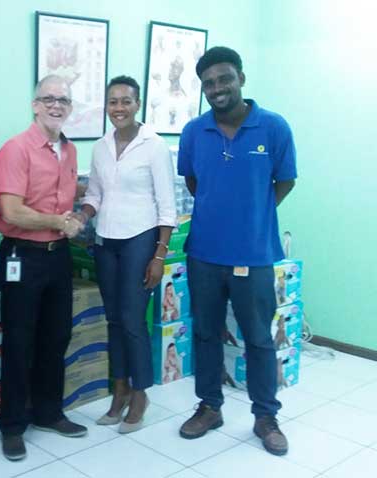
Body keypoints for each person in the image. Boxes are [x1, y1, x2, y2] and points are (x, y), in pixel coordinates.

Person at [177, 46, 297, 456]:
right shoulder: (195, 132)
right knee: (206, 333)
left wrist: (253, 214)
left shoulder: (274, 128)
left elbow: (285, 181)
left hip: (255, 254)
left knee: (259, 339)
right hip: (204, 254)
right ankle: (209, 407)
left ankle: (266, 416)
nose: (217, 88)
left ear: (241, 78)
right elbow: (194, 182)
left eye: (224, 79)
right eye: (208, 83)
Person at [0, 75, 87, 461]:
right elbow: (12, 211)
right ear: (34, 104)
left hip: (58, 255)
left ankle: (48, 412)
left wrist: (76, 218)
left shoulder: (69, 151)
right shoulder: (15, 149)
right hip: (22, 256)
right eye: (49, 98)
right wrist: (59, 223)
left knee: (56, 335)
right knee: (18, 341)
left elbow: (66, 204)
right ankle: (13, 425)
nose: (56, 105)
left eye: (63, 100)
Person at [77, 76, 176, 434]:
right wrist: (83, 215)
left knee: (133, 319)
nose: (118, 108)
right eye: (113, 102)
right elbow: (96, 194)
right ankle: (118, 391)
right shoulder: (101, 146)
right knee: (115, 319)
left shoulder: (154, 146)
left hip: (141, 239)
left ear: (138, 105)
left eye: (125, 101)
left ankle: (140, 393)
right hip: (107, 240)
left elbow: (167, 205)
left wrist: (159, 256)